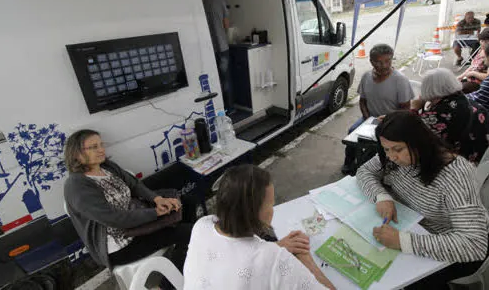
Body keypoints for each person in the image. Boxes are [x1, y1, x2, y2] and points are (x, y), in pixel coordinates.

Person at [356, 111, 489, 290]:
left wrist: (402, 241)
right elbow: (364, 172)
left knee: (399, 281)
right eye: (386, 149)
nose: (391, 157)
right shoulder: (393, 154)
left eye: (397, 150)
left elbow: (473, 245)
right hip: (420, 226)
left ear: (418, 143)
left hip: (456, 244)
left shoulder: (455, 175)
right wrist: (381, 197)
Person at [183, 164, 335, 290]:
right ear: (255, 213)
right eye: (271, 204)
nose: (273, 210)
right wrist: (306, 260)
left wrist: (276, 247)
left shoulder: (202, 225)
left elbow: (235, 255)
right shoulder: (276, 260)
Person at [63, 129, 192, 274]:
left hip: (135, 221)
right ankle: (165, 285)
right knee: (189, 233)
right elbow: (115, 219)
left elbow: (134, 184)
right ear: (76, 154)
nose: (101, 150)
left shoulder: (106, 166)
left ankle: (184, 260)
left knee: (185, 203)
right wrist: (155, 212)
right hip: (120, 244)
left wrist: (157, 199)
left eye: (101, 145)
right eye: (93, 147)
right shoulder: (77, 186)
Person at [342, 44, 414, 175]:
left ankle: (377, 166)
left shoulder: (400, 80)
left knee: (382, 143)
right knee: (352, 132)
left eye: (388, 61)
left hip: (392, 122)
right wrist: (367, 118)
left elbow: (405, 110)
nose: (384, 66)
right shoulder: (366, 77)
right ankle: (349, 162)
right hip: (371, 118)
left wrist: (387, 121)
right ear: (371, 62)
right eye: (379, 62)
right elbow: (362, 101)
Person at [412, 68, 489, 164]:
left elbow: (412, 134)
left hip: (465, 165)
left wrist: (413, 109)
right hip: (485, 157)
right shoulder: (467, 101)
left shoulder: (438, 115)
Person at [198, 0, 234, 113]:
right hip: (222, 47)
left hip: (205, 50)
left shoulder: (195, 2)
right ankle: (229, 108)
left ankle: (218, 108)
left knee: (212, 80)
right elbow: (226, 25)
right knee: (225, 79)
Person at [457, 26, 489, 94]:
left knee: (454, 91)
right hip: (469, 79)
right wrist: (460, 76)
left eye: (486, 41)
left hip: (480, 85)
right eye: (482, 40)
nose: (482, 43)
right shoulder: (481, 50)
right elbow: (472, 66)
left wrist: (473, 73)